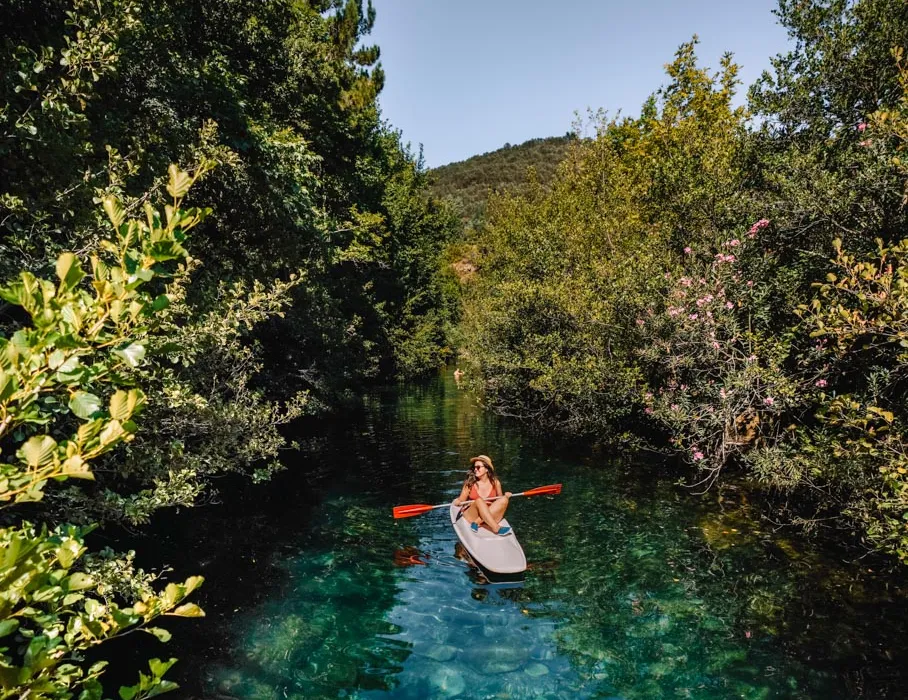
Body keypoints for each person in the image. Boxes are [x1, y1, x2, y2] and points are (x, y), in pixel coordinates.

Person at [453, 454, 512, 535]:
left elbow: (499, 500)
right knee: (479, 501)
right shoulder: (470, 483)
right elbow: (461, 500)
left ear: (487, 469)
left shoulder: (495, 482)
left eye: (478, 467)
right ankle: (496, 528)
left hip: (490, 514)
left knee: (504, 499)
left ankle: (477, 523)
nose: (475, 470)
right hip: (473, 515)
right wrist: (457, 501)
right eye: (474, 467)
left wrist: (506, 496)